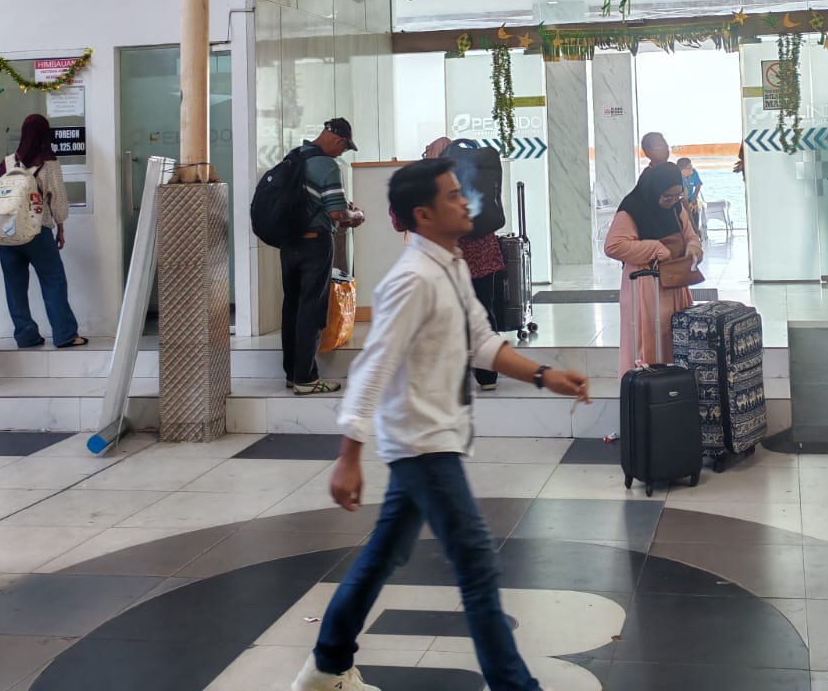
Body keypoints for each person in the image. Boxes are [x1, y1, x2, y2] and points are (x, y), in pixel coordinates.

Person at [293, 159, 590, 691]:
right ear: (423, 215)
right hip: (421, 445)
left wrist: (546, 375)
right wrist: (349, 455)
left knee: (384, 555)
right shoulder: (411, 280)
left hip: (437, 437)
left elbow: (483, 343)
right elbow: (373, 366)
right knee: (477, 566)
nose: (465, 202)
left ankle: (326, 666)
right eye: (453, 196)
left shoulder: (451, 265)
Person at [283, 119, 365, 397]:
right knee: (312, 309)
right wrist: (357, 215)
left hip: (288, 243)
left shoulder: (293, 158)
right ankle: (306, 379)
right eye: (344, 148)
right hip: (315, 244)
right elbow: (337, 215)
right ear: (338, 140)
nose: (342, 154)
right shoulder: (326, 165)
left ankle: (292, 373)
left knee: (292, 306)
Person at [423, 136, 506, 390]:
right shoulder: (481, 166)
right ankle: (488, 374)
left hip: (454, 251)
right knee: (484, 308)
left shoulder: (435, 174)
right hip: (484, 248)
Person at [604, 163, 701, 376]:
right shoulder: (632, 209)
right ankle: (646, 392)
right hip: (646, 285)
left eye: (676, 196)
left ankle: (674, 390)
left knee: (674, 337)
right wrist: (656, 248)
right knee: (647, 340)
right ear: (654, 190)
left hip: (675, 283)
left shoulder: (676, 206)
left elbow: (690, 235)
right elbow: (613, 246)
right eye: (667, 197)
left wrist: (693, 248)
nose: (672, 201)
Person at [0, 114, 85, 350]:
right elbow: (58, 201)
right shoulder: (48, 162)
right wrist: (61, 227)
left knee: (14, 286)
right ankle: (65, 334)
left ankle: (26, 336)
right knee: (53, 280)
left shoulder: (7, 162)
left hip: (6, 233)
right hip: (37, 232)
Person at [677, 156, 704, 234]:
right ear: (682, 169)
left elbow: (698, 185)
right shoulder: (676, 176)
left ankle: (695, 232)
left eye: (691, 166)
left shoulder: (694, 173)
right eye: (689, 167)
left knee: (694, 211)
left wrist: (694, 197)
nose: (691, 168)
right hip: (679, 200)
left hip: (691, 199)